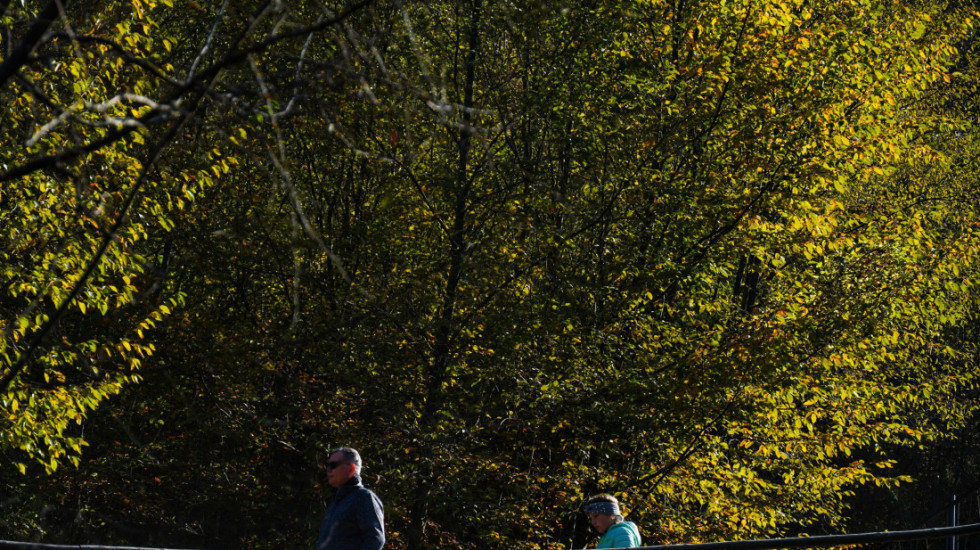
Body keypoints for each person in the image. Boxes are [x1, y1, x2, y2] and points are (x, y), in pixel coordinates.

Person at [315, 447, 385, 550]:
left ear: (350, 469)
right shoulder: (337, 500)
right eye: (327, 465)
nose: (328, 469)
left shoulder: (363, 497)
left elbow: (375, 539)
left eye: (333, 465)